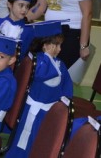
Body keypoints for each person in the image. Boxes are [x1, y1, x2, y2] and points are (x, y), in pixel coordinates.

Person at [6, 20, 73, 158]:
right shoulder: (37, 61)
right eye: (56, 45)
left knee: (41, 144)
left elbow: (67, 88)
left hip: (48, 113)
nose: (60, 49)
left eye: (61, 45)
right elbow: (41, 75)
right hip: (32, 111)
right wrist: (47, 56)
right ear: (45, 45)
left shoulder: (60, 64)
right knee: (24, 142)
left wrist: (62, 106)